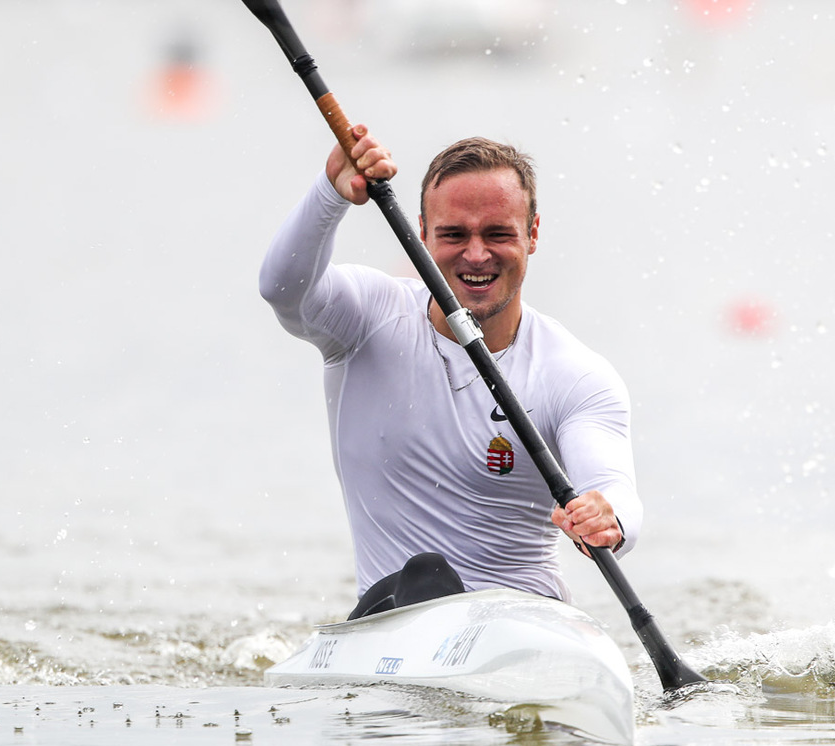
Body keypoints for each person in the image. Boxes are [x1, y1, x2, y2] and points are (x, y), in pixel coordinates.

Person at [259, 124, 642, 618]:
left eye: (499, 234)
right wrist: (328, 193)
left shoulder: (574, 375)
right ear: (422, 233)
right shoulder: (366, 321)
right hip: (396, 614)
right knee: (426, 574)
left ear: (533, 235)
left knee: (435, 580)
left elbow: (615, 490)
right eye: (454, 235)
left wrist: (607, 517)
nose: (477, 255)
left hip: (527, 622)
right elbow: (282, 289)